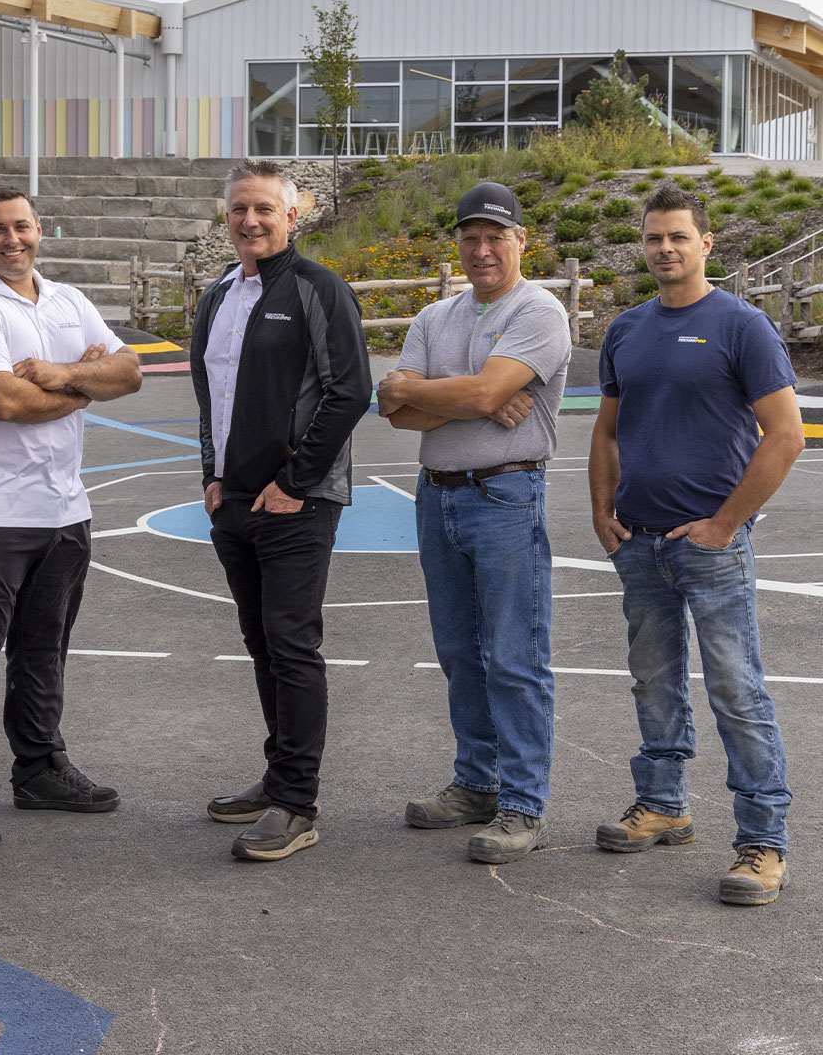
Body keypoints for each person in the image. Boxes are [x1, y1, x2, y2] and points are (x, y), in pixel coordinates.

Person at [589, 183, 803, 906]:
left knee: (737, 693)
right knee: (653, 682)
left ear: (705, 244)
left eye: (677, 237)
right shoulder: (626, 330)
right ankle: (663, 802)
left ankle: (762, 842)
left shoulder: (741, 326)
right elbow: (607, 431)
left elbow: (787, 434)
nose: (664, 249)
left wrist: (724, 524)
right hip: (641, 545)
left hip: (712, 550)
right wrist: (601, 513)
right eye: (653, 238)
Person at [0, 186, 142, 849]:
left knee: (44, 651)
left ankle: (40, 767)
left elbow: (130, 372)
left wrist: (54, 373)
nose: (10, 239)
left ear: (39, 230)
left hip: (65, 509)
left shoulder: (69, 301)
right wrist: (82, 385)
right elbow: (5, 403)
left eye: (20, 226)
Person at [377, 182, 571, 865]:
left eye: (496, 237)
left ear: (522, 241)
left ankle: (522, 805)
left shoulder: (539, 311)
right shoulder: (436, 316)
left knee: (514, 657)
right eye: (471, 237)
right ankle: (476, 783)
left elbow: (468, 392)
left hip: (506, 496)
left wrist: (457, 394)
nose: (482, 249)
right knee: (461, 653)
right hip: (437, 496)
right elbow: (393, 409)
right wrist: (476, 401)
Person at [190, 159, 371, 862]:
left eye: (265, 209)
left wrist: (296, 480)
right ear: (227, 217)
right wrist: (211, 475)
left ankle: (298, 801)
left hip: (298, 503)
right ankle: (276, 779)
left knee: (292, 646)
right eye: (240, 209)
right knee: (263, 643)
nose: (251, 221)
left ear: (294, 217)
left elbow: (349, 391)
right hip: (234, 501)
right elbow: (212, 397)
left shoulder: (318, 289)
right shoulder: (218, 297)